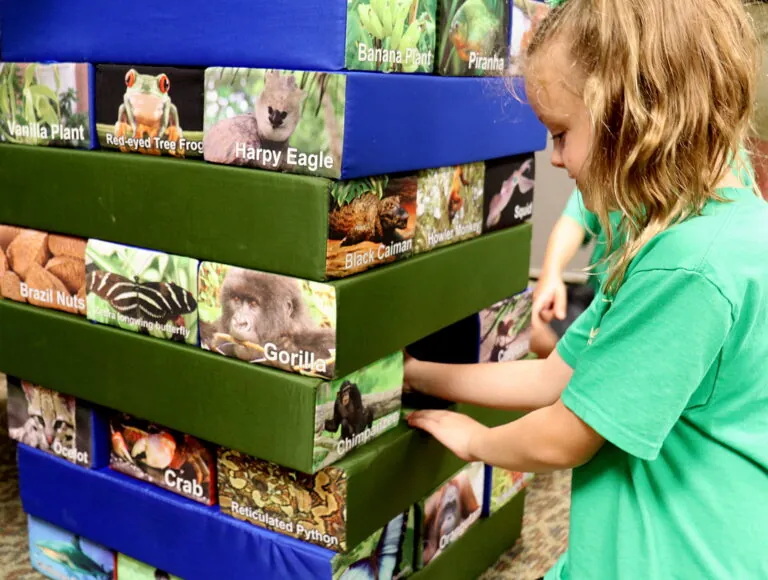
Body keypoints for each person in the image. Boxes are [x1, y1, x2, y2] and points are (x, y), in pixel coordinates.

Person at [404, 0, 768, 578]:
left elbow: (564, 436)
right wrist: (419, 375)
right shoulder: (699, 222)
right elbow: (558, 375)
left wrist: (477, 442)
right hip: (631, 538)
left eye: (560, 134)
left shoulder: (685, 267)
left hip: (678, 557)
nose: (554, 159)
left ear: (633, 111)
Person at [530, 188, 620, 357]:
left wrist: (555, 351)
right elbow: (575, 219)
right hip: (593, 299)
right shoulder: (607, 176)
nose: (555, 161)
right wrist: (551, 274)